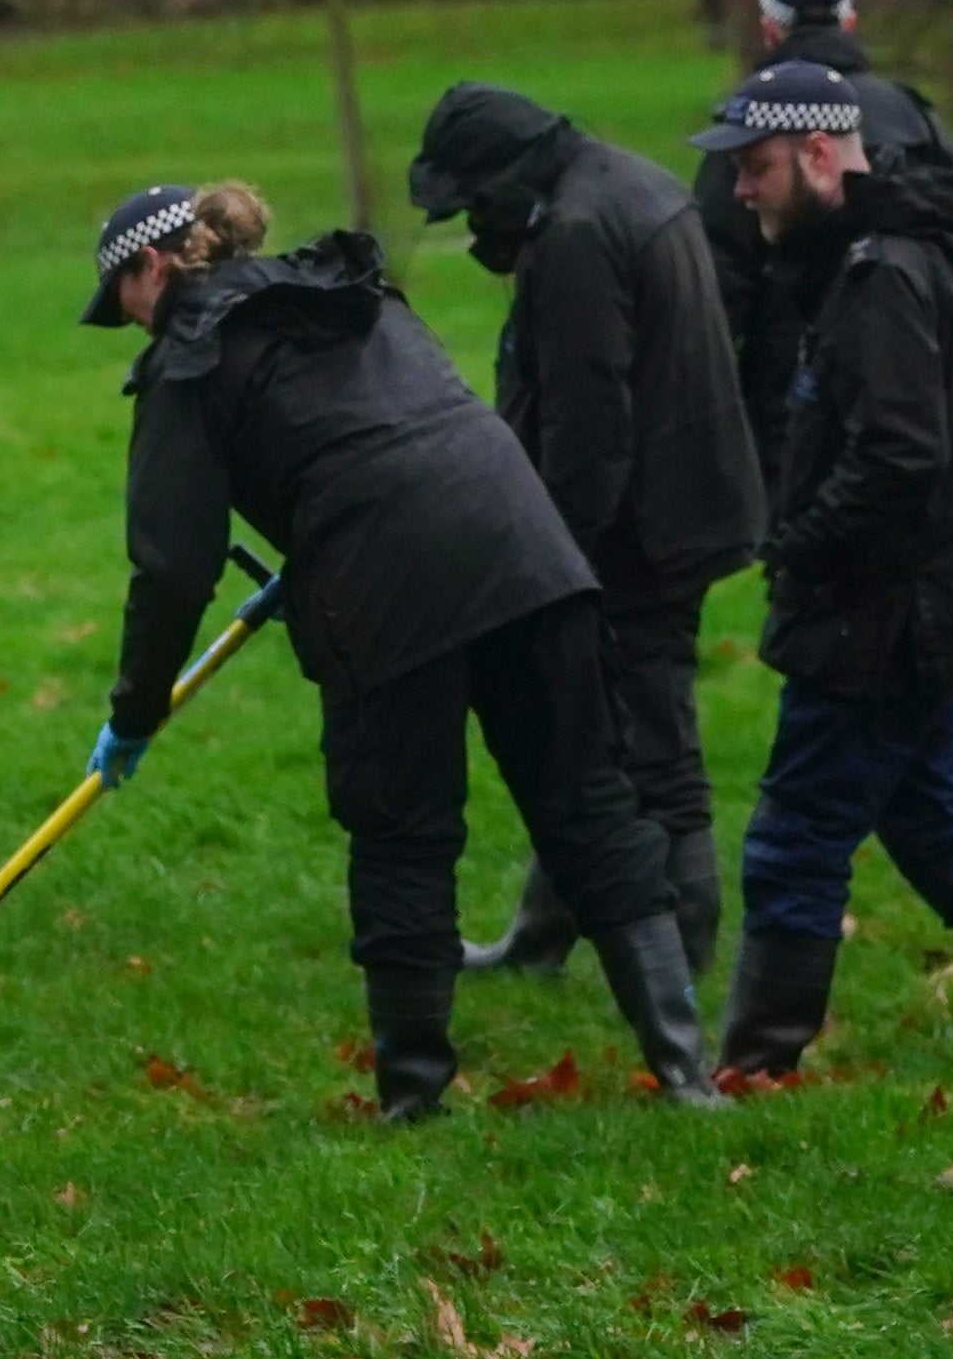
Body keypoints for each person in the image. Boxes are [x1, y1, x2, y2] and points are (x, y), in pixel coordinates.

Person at [82, 182, 714, 1117]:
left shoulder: (189, 361)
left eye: (121, 301)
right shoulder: (349, 289)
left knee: (402, 834)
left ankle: (415, 1096)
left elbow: (173, 569)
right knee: (586, 801)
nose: (128, 323)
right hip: (526, 548)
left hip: (389, 590)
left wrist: (134, 712)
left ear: (151, 269)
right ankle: (686, 1074)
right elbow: (392, 435)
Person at [683, 63, 953, 1072]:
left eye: (756, 168)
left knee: (791, 839)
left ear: (820, 154)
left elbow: (896, 459)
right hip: (917, 606)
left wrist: (793, 541)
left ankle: (751, 1066)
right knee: (931, 820)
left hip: (884, 616)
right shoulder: (879, 257)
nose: (739, 192)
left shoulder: (880, 275)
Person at [408, 84, 767, 977]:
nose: (476, 231)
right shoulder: (631, 182)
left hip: (639, 535)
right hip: (689, 502)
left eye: (474, 208)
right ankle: (541, 938)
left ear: (505, 181)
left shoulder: (573, 235)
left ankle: (681, 962)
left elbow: (589, 424)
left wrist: (551, 560)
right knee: (581, 738)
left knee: (654, 751)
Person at [692, 0, 953, 475]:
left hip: (791, 377)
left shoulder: (753, 130)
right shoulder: (913, 114)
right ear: (850, 23)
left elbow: (720, 275)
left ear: (769, 30)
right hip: (923, 369)